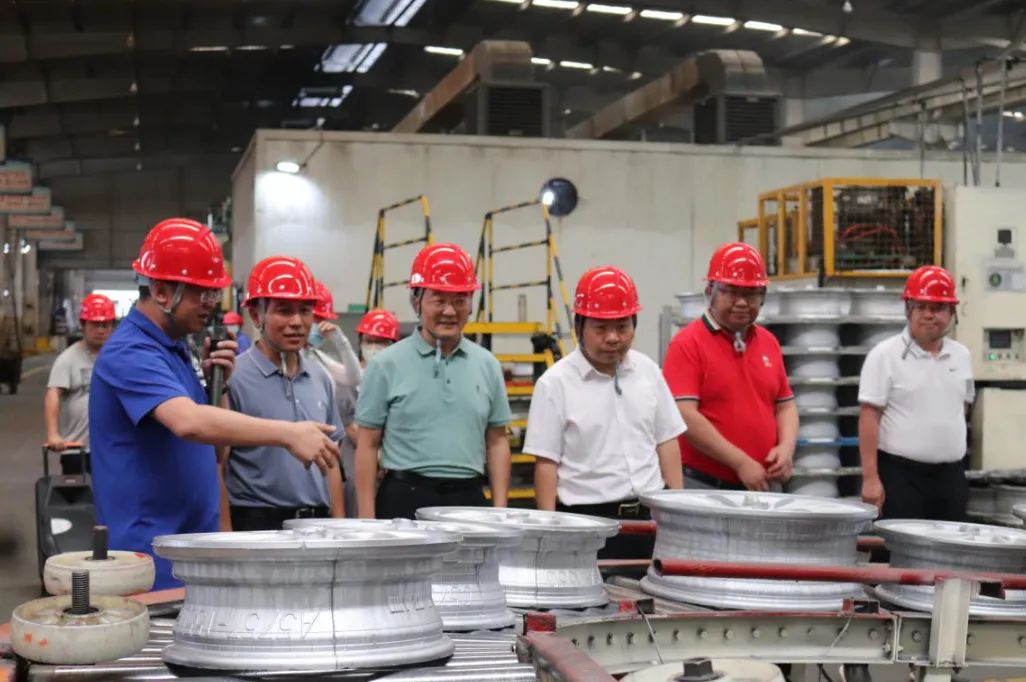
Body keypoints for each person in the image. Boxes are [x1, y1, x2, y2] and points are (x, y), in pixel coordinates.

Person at [89, 217, 340, 589]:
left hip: (189, 547)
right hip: (150, 555)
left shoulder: (175, 351)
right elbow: (188, 423)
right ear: (162, 292)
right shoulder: (130, 352)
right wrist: (288, 434)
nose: (211, 304)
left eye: (213, 293)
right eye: (201, 294)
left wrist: (217, 387)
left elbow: (217, 452)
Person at [525, 266, 685, 558]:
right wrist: (549, 536)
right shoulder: (555, 384)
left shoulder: (648, 371)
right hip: (587, 523)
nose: (612, 338)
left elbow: (667, 441)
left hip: (650, 519)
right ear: (579, 327)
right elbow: (546, 464)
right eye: (600, 328)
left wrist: (677, 513)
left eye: (622, 327)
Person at [354, 243, 512, 519]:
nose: (449, 311)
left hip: (469, 500)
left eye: (460, 300)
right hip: (404, 498)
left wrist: (500, 512)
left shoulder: (487, 365)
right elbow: (368, 444)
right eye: (438, 300)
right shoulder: (385, 365)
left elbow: (497, 442)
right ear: (416, 302)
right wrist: (367, 519)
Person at [223, 257, 346, 530]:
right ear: (256, 315)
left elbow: (332, 460)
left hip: (317, 524)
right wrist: (224, 534)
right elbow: (218, 466)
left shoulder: (320, 377)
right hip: (257, 525)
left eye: (305, 311)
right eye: (283, 311)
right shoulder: (234, 378)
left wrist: (339, 526)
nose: (297, 322)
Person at [662, 242, 797, 491]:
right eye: (731, 292)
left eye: (751, 294)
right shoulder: (688, 344)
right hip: (705, 486)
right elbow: (684, 415)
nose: (742, 302)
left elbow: (785, 406)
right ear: (710, 292)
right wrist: (740, 463)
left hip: (762, 483)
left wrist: (786, 448)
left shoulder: (768, 342)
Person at [858, 265, 973, 520]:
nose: (929, 315)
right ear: (908, 309)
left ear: (952, 312)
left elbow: (962, 407)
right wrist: (870, 479)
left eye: (938, 308)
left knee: (950, 545)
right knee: (899, 544)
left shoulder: (962, 356)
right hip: (901, 478)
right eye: (921, 307)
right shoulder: (884, 355)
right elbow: (869, 417)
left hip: (950, 478)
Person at [44, 293, 116, 473]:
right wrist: (53, 434)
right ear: (83, 325)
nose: (101, 330)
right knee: (78, 491)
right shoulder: (67, 359)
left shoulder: (120, 358)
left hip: (113, 449)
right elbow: (53, 394)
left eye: (105, 325)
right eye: (95, 325)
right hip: (77, 449)